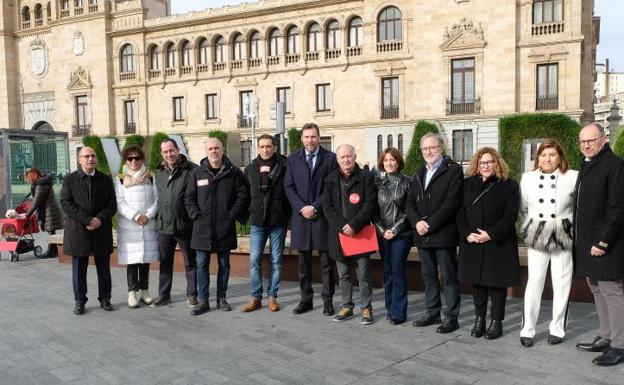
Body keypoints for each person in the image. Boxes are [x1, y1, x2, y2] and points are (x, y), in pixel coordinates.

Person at [519, 140, 578, 347]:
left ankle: (558, 328)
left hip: (563, 233)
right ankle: (527, 330)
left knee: (562, 283)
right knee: (534, 281)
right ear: (538, 158)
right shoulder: (527, 178)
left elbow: (577, 207)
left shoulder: (572, 176)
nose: (547, 159)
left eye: (552, 154)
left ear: (560, 157)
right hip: (538, 234)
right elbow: (524, 207)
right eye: (543, 155)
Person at [457, 147, 520, 340]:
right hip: (473, 241)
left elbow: (510, 216)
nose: (485, 166)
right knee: (478, 284)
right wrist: (467, 234)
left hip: (497, 242)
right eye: (482, 162)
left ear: (497, 163)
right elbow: (459, 213)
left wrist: (490, 234)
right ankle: (479, 320)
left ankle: (496, 322)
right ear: (476, 164)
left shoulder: (509, 185)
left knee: (496, 284)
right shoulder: (467, 185)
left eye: (489, 162)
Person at [574, 123, 624, 366]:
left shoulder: (616, 165)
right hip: (586, 242)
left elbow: (617, 208)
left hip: (606, 245)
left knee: (612, 292)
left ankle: (620, 345)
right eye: (582, 141)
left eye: (591, 140)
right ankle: (606, 336)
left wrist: (603, 242)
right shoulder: (587, 164)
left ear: (603, 139)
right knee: (595, 288)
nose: (586, 145)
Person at [184, 138, 250, 316]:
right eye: (210, 149)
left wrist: (232, 214)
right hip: (201, 228)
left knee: (224, 265)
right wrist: (196, 215)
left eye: (217, 148)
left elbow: (242, 195)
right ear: (206, 152)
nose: (214, 151)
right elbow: (188, 198)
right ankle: (204, 301)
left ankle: (222, 298)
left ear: (222, 150)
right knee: (201, 264)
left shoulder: (233, 173)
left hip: (224, 226)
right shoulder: (197, 173)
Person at [406, 132, 463, 333]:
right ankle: (432, 312)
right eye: (425, 149)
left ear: (441, 149)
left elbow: (451, 203)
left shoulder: (453, 170)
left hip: (443, 234)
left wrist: (429, 224)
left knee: (448, 277)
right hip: (422, 235)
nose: (428, 151)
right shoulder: (419, 172)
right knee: (428, 276)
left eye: (432, 148)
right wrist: (417, 223)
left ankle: (452, 317)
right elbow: (410, 202)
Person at [284, 123, 337, 315]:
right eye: (306, 137)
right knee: (303, 265)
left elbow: (331, 187)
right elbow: (288, 187)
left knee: (326, 263)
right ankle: (305, 299)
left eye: (313, 137)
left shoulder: (330, 158)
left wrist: (315, 206)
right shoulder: (293, 159)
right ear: (302, 139)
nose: (310, 140)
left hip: (321, 217)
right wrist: (302, 208)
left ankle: (328, 301)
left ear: (319, 137)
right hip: (301, 218)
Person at [322, 144, 377, 325]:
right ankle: (346, 306)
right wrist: (342, 226)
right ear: (337, 160)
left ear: (355, 157)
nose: (346, 160)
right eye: (342, 157)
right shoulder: (330, 180)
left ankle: (366, 308)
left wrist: (353, 225)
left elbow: (370, 205)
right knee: (343, 275)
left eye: (349, 156)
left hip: (359, 233)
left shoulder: (366, 177)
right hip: (339, 236)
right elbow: (327, 207)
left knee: (364, 275)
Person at [60, 147, 117, 315]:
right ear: (79, 160)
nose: (90, 159)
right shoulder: (69, 180)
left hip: (101, 230)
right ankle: (80, 301)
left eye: (93, 156)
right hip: (79, 230)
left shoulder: (105, 179)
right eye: (86, 156)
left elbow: (112, 204)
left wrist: (99, 219)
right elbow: (66, 203)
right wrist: (87, 219)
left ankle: (105, 299)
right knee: (79, 270)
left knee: (104, 268)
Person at [242, 134, 290, 312]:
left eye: (268, 146)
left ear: (275, 148)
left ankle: (272, 296)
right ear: (257, 148)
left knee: (276, 261)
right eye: (262, 146)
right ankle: (256, 297)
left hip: (278, 221)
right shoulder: (251, 168)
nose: (265, 150)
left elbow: (288, 193)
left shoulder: (284, 166)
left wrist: (289, 221)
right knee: (254, 260)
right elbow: (244, 195)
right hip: (257, 223)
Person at [152, 138, 198, 308]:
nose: (168, 154)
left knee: (190, 262)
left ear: (178, 150)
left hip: (185, 225)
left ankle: (192, 294)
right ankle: (164, 295)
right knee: (165, 262)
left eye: (171, 150)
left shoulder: (191, 169)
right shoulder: (158, 171)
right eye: (165, 152)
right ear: (162, 154)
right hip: (164, 226)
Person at [114, 146, 160, 309]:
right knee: (132, 261)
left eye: (137, 158)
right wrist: (135, 215)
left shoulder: (151, 178)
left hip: (147, 224)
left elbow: (157, 199)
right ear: (125, 160)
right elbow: (119, 202)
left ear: (142, 159)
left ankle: (145, 291)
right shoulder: (120, 179)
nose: (134, 161)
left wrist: (148, 215)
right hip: (130, 225)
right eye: (130, 158)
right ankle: (132, 292)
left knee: (145, 259)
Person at [374, 148, 412, 325]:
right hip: (383, 234)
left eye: (393, 160)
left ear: (398, 162)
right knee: (387, 271)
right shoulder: (378, 183)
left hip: (402, 234)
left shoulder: (407, 182)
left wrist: (395, 230)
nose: (389, 163)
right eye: (386, 160)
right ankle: (390, 307)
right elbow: (374, 212)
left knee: (397, 270)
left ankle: (399, 311)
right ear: (382, 162)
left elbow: (409, 211)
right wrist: (382, 230)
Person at [24, 168, 63, 258]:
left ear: (32, 175)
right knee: (51, 230)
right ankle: (54, 250)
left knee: (50, 230)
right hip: (48, 209)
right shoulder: (42, 183)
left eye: (28, 177)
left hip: (49, 210)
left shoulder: (41, 185)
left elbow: (37, 201)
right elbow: (38, 198)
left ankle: (51, 251)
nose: (28, 180)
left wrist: (27, 215)